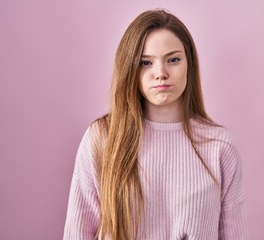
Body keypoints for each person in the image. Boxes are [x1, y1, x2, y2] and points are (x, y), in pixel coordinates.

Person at [63, 9, 248, 240]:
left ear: (189, 65)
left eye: (173, 60)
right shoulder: (101, 139)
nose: (160, 73)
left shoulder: (220, 146)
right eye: (145, 63)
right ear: (130, 68)